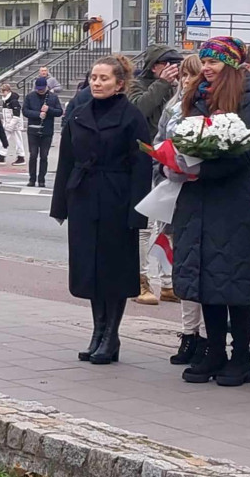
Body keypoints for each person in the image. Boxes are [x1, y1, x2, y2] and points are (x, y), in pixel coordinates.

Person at [172, 37, 250, 387]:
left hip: (230, 199)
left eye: (213, 63)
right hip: (197, 199)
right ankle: (214, 351)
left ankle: (240, 356)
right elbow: (185, 136)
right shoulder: (197, 95)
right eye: (204, 62)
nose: (206, 68)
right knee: (204, 279)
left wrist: (201, 169)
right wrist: (177, 162)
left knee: (233, 278)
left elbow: (241, 152)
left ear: (232, 65)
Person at [51, 55, 152, 364]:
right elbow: (66, 161)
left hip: (116, 198)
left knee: (114, 268)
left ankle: (112, 335)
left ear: (119, 84)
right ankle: (98, 330)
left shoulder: (132, 116)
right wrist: (61, 205)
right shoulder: (79, 113)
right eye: (94, 77)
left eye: (104, 78)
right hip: (83, 197)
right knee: (90, 269)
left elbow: (141, 165)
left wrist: (138, 212)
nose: (96, 82)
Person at [154, 54, 207, 364]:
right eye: (184, 76)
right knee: (182, 266)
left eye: (193, 75)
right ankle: (188, 333)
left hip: (198, 193)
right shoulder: (172, 107)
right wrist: (162, 167)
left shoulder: (205, 107)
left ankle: (204, 335)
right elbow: (160, 141)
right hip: (173, 192)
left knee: (201, 268)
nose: (186, 81)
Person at [129, 43, 183, 306]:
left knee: (167, 225)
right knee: (144, 226)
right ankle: (141, 281)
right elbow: (139, 111)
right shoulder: (137, 85)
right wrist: (161, 85)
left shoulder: (177, 88)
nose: (174, 69)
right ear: (156, 66)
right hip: (143, 161)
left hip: (168, 163)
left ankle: (168, 281)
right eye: (169, 63)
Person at [23, 77, 63, 188]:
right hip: (33, 130)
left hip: (47, 130)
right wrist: (37, 114)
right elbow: (25, 111)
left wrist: (49, 110)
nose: (39, 91)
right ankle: (32, 179)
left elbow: (59, 112)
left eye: (42, 89)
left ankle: (41, 179)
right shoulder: (30, 97)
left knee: (44, 156)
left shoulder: (53, 97)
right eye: (38, 89)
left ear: (46, 87)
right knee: (33, 155)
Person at [0, 83, 25, 165]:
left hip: (14, 125)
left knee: (18, 141)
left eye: (3, 92)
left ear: (7, 91)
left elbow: (16, 115)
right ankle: (2, 155)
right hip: (9, 124)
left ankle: (20, 157)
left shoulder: (13, 101)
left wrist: (10, 125)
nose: (2, 93)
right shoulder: (6, 100)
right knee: (5, 139)